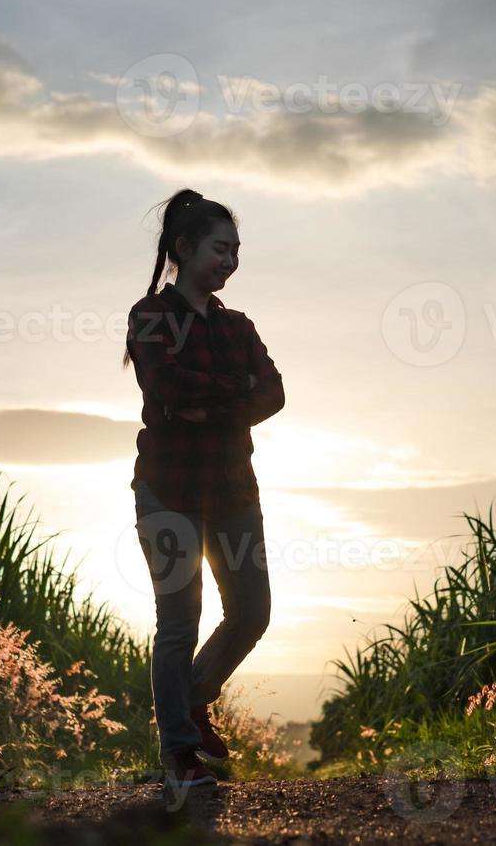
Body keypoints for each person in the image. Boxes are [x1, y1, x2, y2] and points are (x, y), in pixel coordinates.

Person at [121, 188, 286, 794]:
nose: (231, 262)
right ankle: (181, 756)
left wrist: (209, 402)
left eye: (237, 250)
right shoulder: (150, 317)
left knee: (251, 611)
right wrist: (230, 392)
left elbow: (273, 393)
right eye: (221, 248)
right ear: (184, 249)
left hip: (234, 492)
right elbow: (171, 386)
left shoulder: (239, 326)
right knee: (179, 620)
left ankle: (188, 700)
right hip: (167, 492)